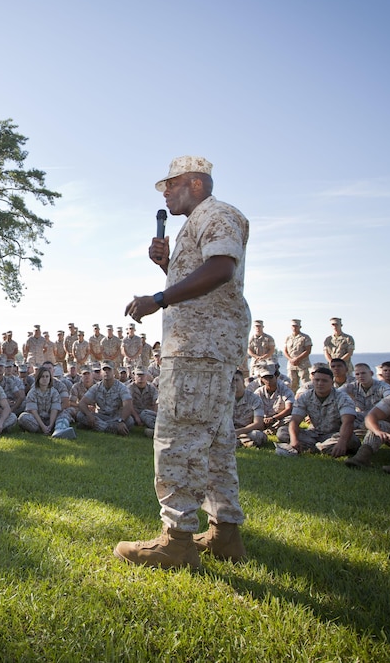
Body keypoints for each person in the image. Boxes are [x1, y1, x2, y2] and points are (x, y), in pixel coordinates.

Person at [115, 155, 250, 570]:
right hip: (209, 350)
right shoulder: (198, 224)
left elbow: (222, 269)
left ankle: (176, 541)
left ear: (195, 182)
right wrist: (167, 267)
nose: (166, 193)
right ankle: (224, 533)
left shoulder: (218, 214)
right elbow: (204, 279)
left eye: (170, 185)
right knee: (215, 444)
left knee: (178, 441)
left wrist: (158, 298)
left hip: (198, 352)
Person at [277, 366, 358, 457]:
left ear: (332, 382)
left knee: (351, 440)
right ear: (313, 381)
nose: (320, 383)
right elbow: (295, 420)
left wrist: (342, 442)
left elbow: (348, 422)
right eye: (317, 380)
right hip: (313, 434)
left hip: (335, 435)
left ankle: (314, 448)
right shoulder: (305, 397)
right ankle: (322, 448)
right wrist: (294, 439)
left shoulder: (343, 398)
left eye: (324, 381)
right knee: (282, 432)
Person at [76, 361, 134, 435]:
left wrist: (121, 421)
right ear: (101, 372)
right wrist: (89, 415)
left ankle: (94, 426)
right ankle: (110, 429)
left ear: (114, 372)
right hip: (101, 416)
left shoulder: (122, 387)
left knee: (130, 421)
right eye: (104, 370)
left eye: (109, 370)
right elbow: (82, 403)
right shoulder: (96, 387)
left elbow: (128, 405)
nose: (106, 372)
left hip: (116, 417)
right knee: (80, 415)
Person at [342, 363, 390, 429]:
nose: (360, 376)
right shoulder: (352, 386)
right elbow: (335, 393)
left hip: (379, 418)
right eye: (357, 374)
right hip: (361, 417)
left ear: (371, 373)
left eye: (363, 373)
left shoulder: (383, 386)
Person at [230, 369, 266, 448]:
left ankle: (238, 441)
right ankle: (242, 441)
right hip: (230, 430)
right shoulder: (225, 399)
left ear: (243, 382)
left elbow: (259, 424)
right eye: (231, 381)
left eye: (236, 380)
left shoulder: (254, 399)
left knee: (257, 435)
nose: (234, 383)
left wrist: (239, 432)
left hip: (248, 430)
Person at [282, 319, 312, 392]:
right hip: (291, 365)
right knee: (291, 384)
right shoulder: (288, 338)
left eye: (296, 326)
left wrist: (297, 359)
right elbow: (285, 351)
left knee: (306, 384)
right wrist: (290, 359)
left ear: (300, 327)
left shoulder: (305, 337)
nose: (294, 327)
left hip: (303, 364)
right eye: (293, 326)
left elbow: (308, 350)